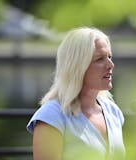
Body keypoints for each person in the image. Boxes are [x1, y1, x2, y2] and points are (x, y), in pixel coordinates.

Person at [26, 27, 125, 160]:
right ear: (77, 66)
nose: (110, 65)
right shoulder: (51, 116)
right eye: (99, 59)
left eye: (109, 56)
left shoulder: (113, 112)